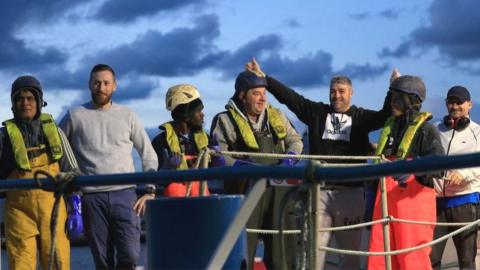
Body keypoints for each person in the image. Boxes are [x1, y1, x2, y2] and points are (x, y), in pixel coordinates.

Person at [246, 58, 392, 269]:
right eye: (333, 91)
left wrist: (393, 89)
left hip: (351, 194)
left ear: (351, 93)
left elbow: (384, 116)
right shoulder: (317, 113)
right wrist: (265, 79)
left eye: (342, 91)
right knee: (311, 255)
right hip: (319, 193)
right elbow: (291, 98)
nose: (336, 95)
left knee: (350, 257)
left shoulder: (361, 118)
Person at [59, 64, 158, 269]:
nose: (101, 87)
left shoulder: (127, 115)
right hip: (91, 198)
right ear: (89, 85)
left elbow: (148, 153)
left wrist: (150, 191)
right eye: (96, 83)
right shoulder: (75, 115)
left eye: (106, 83)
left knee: (129, 257)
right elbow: (56, 147)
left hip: (125, 195)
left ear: (114, 86)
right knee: (103, 263)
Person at [210, 70, 303, 269]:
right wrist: (237, 165)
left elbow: (295, 140)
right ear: (242, 95)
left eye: (264, 93)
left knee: (284, 255)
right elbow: (217, 155)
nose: (263, 99)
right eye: (256, 94)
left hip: (279, 192)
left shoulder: (277, 116)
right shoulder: (224, 120)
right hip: (244, 192)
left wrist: (291, 158)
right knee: (242, 252)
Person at [0, 75, 78, 270]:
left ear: (39, 101)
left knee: (57, 262)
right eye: (19, 99)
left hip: (54, 209)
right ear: (13, 104)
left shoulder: (56, 133)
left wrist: (76, 206)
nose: (25, 103)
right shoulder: (2, 138)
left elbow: (73, 171)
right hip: (18, 213)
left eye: (30, 98)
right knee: (20, 264)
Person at [368, 75, 444, 270]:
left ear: (411, 100)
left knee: (412, 259)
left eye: (396, 97)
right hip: (384, 200)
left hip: (413, 204)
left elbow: (439, 166)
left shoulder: (427, 130)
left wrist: (413, 168)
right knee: (380, 256)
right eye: (392, 96)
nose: (392, 102)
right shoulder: (390, 127)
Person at [430, 86, 480, 269]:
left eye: (459, 102)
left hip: (465, 202)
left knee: (466, 261)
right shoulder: (434, 128)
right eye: (451, 101)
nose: (455, 105)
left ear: (469, 104)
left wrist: (463, 174)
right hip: (436, 203)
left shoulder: (478, 132)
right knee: (430, 260)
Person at [152, 83, 221, 196]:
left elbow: (218, 173)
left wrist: (218, 158)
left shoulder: (206, 139)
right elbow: (156, 182)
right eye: (198, 111)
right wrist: (168, 168)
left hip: (202, 202)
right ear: (185, 115)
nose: (202, 115)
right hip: (174, 206)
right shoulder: (160, 142)